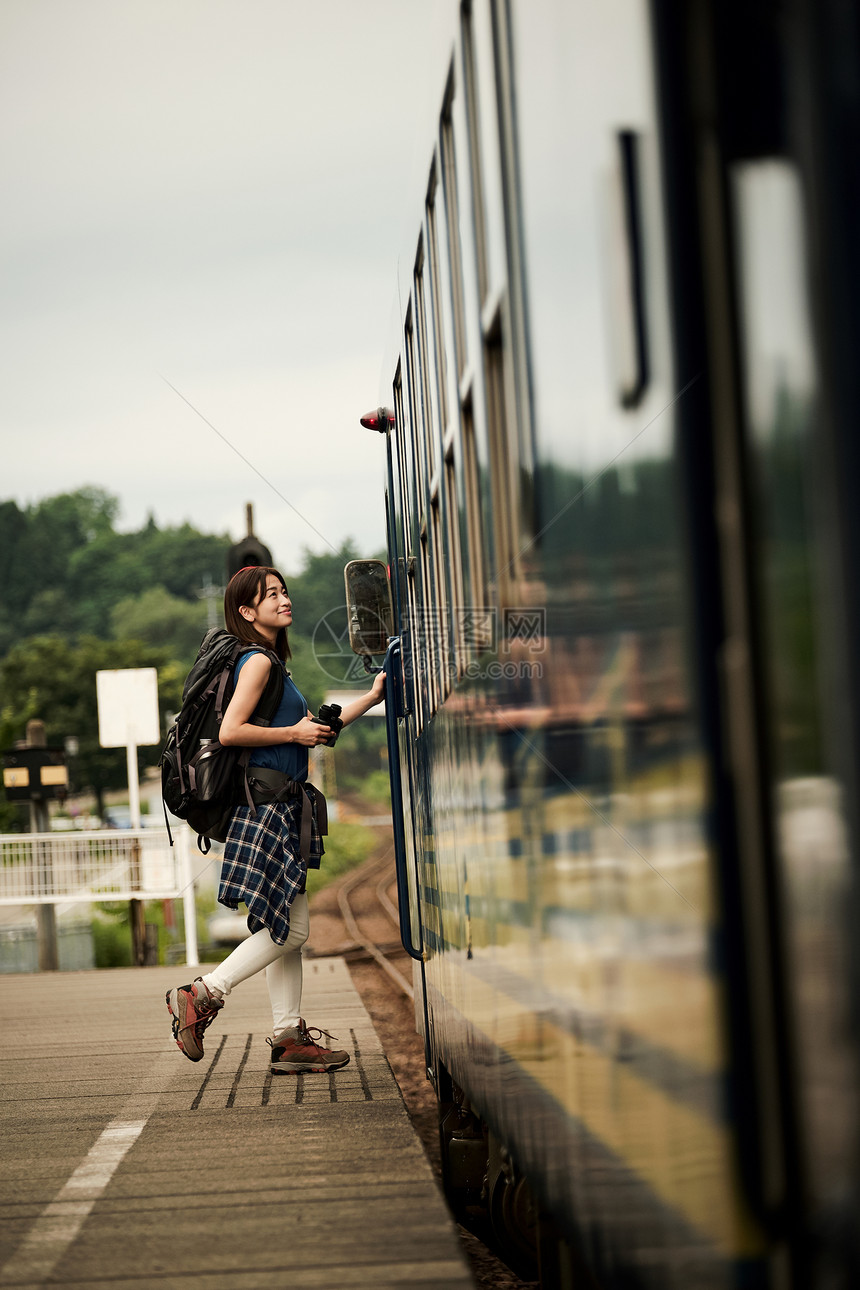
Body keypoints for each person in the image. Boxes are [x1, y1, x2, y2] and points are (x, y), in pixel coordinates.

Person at [165, 565, 385, 1074]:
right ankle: (201, 994)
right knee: (295, 929)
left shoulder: (271, 665)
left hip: (277, 804)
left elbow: (312, 730)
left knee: (279, 922)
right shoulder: (257, 663)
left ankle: (288, 1038)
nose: (284, 599)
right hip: (265, 808)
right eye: (271, 595)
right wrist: (291, 737)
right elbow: (230, 732)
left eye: (284, 591)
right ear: (247, 611)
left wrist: (370, 699)